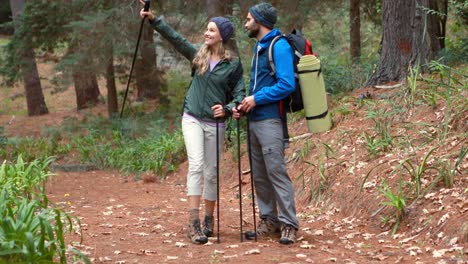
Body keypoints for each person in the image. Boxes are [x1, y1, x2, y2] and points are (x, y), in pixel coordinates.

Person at [140, 3, 245, 245]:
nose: (206, 33)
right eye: (206, 29)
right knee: (196, 165)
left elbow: (240, 94)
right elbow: (175, 39)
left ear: (222, 36)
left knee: (211, 173)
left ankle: (209, 219)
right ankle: (194, 222)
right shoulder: (198, 55)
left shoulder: (233, 65)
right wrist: (154, 20)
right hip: (193, 118)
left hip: (216, 124)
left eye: (211, 30)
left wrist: (228, 109)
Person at [232, 2, 299, 245]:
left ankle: (289, 224)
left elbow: (286, 84)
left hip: (271, 120)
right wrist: (243, 105)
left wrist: (256, 99)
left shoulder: (278, 45)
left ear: (259, 21)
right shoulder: (259, 46)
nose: (246, 23)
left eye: (249, 19)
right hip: (255, 120)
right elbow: (258, 86)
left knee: (276, 173)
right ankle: (270, 220)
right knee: (260, 175)